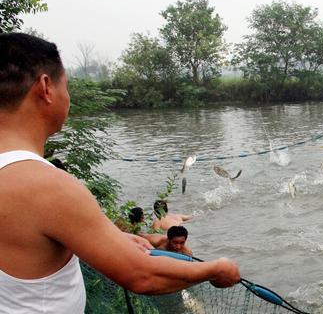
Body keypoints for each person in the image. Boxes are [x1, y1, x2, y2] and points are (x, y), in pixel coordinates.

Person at [0, 33, 239, 313]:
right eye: (67, 85)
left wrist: (113, 239)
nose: (69, 96)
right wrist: (215, 269)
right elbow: (143, 276)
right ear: (45, 87)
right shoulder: (46, 185)